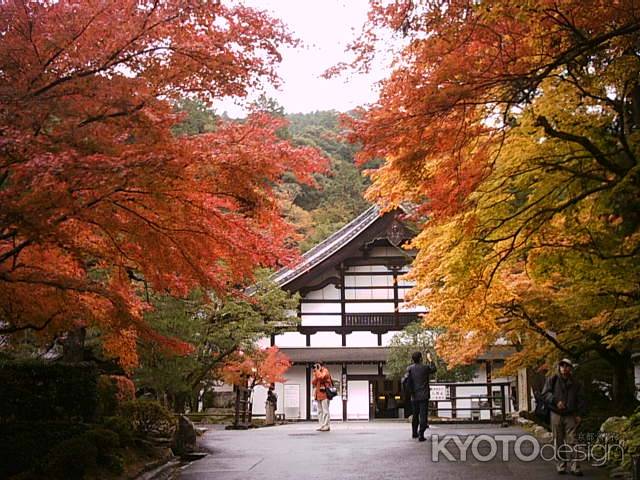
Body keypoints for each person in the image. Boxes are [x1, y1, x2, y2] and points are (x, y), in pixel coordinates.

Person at [541, 358, 586, 476]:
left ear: (570, 368)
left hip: (571, 414)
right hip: (556, 413)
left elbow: (581, 399)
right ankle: (561, 465)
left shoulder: (576, 383)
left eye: (567, 366)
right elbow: (545, 394)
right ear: (559, 367)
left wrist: (580, 414)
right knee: (558, 441)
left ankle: (575, 467)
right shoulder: (552, 379)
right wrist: (556, 401)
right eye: (562, 366)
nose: (564, 368)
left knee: (573, 441)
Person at [403, 351, 436, 441]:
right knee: (423, 415)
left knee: (415, 415)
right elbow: (434, 369)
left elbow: (405, 380)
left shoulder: (409, 368)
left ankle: (414, 433)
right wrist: (430, 359)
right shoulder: (425, 368)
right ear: (421, 358)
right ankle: (421, 433)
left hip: (414, 395)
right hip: (424, 395)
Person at [312, 361, 333, 432]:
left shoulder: (325, 371)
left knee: (325, 411)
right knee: (320, 411)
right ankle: (321, 425)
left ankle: (326, 426)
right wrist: (315, 373)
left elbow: (322, 377)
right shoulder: (316, 372)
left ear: (320, 365)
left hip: (325, 394)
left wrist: (317, 371)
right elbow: (313, 382)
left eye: (316, 366)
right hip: (318, 394)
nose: (315, 367)